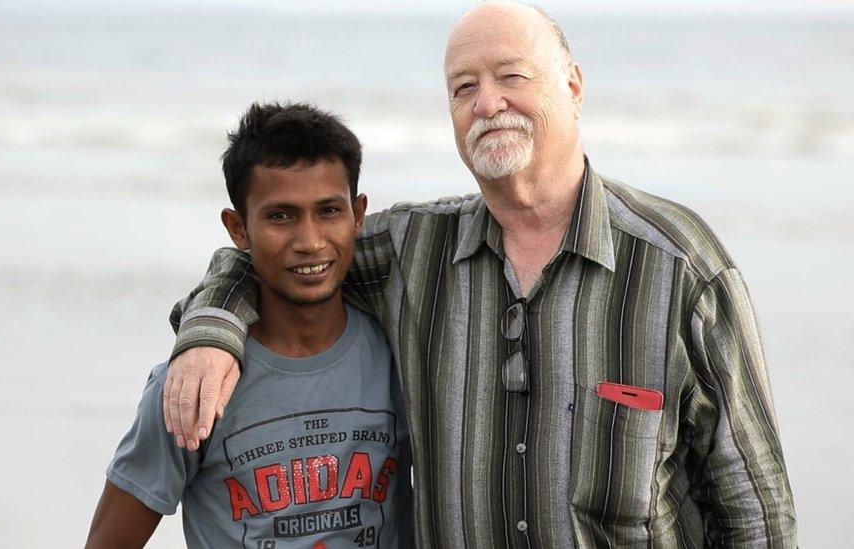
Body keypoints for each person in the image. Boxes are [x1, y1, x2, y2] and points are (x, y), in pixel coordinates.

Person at [161, 2, 797, 546]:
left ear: (573, 86)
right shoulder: (411, 251)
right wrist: (212, 331)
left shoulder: (679, 267)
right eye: (463, 88)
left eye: (510, 76)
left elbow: (756, 509)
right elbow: (284, 253)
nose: (487, 102)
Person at [86, 102, 412, 548]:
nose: (310, 241)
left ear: (358, 214)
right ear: (238, 228)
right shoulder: (191, 388)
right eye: (281, 216)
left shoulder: (402, 356)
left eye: (329, 211)